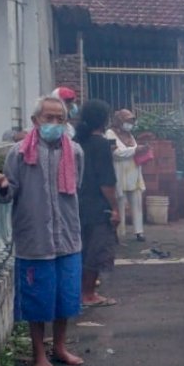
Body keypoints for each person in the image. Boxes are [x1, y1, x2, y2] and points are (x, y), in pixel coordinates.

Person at [0, 94, 84, 366]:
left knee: (64, 297)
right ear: (35, 121)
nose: (54, 123)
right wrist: (3, 185)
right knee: (38, 299)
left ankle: (61, 348)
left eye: (60, 119)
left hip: (67, 235)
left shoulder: (75, 151)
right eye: (48, 118)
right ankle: (39, 353)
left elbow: (77, 184)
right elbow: (9, 194)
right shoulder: (18, 152)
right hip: (34, 238)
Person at [75, 100, 119, 307]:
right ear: (103, 120)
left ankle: (79, 292)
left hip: (75, 204)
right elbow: (106, 182)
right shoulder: (101, 144)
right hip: (96, 205)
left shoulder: (75, 142)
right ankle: (88, 294)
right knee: (96, 250)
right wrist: (115, 208)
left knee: (80, 250)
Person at [107, 109, 147, 241]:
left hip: (134, 172)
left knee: (137, 203)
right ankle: (119, 233)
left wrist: (141, 150)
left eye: (131, 121)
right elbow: (116, 153)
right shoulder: (110, 133)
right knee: (120, 203)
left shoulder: (130, 135)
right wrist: (135, 150)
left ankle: (139, 232)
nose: (130, 124)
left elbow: (133, 150)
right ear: (119, 121)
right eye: (127, 121)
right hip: (119, 172)